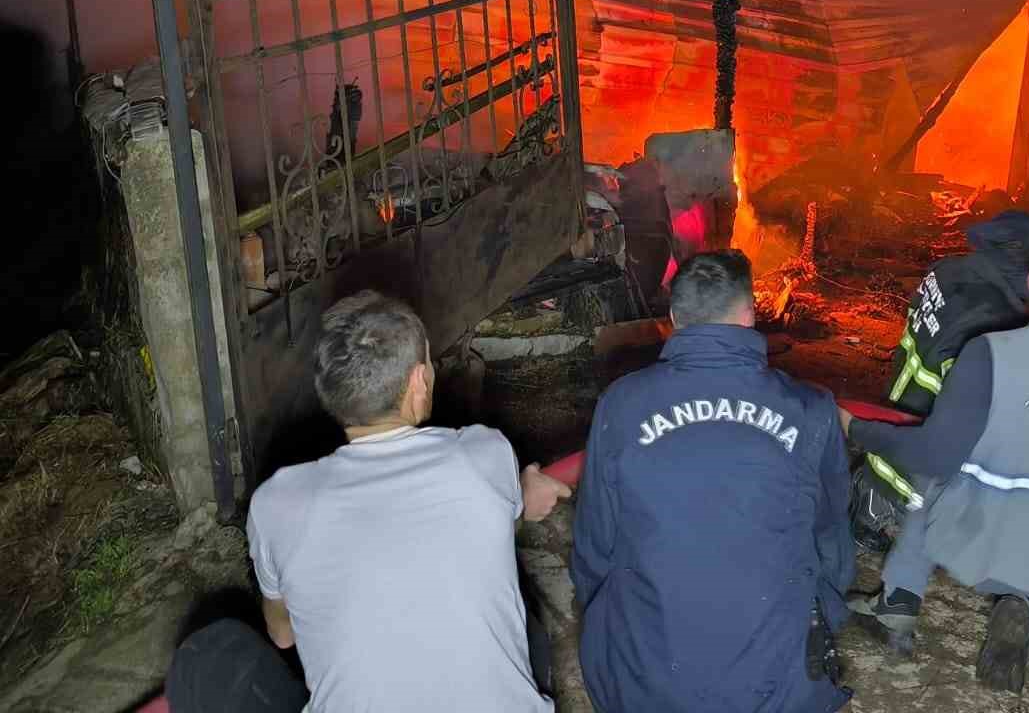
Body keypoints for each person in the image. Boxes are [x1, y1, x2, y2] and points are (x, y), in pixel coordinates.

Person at [171, 290, 569, 713]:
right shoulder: (482, 453)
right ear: (418, 382)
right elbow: (493, 530)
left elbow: (283, 633)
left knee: (213, 651)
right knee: (526, 621)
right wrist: (522, 497)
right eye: (430, 363)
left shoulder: (276, 504)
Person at [842, 232, 1029, 694]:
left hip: (973, 551)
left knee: (936, 471)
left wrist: (857, 430)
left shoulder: (990, 354)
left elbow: (933, 455)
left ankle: (898, 600)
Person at [570, 249, 855, 713]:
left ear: (673, 318)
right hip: (772, 688)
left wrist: (610, 624)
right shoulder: (810, 409)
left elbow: (594, 546)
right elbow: (832, 546)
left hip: (645, 683)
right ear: (750, 313)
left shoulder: (622, 404)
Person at [852, 209, 1029, 549]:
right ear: (1026, 267)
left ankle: (871, 500)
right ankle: (893, 518)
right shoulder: (996, 316)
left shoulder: (948, 270)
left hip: (893, 422)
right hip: (917, 466)